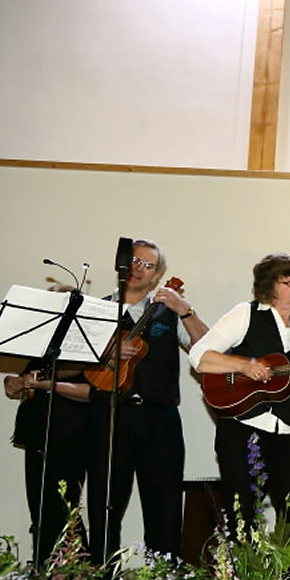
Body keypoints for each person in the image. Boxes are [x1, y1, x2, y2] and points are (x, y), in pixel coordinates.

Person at [190, 253, 290, 555]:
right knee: (244, 513)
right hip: (244, 428)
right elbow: (199, 356)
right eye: (288, 281)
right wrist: (243, 365)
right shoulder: (246, 314)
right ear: (268, 286)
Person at [87, 239, 208, 562]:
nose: (139, 269)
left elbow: (208, 349)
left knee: (164, 507)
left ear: (158, 276)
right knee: (103, 504)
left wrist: (186, 309)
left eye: (148, 265)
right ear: (123, 264)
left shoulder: (168, 312)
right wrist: (105, 351)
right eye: (135, 261)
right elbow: (73, 362)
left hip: (159, 418)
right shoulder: (97, 309)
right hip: (109, 416)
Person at [5, 361, 93, 566]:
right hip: (37, 429)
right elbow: (26, 376)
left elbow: (85, 370)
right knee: (39, 511)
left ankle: (75, 578)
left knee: (63, 509)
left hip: (70, 431)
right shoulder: (45, 339)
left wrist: (43, 379)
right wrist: (14, 382)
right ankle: (44, 572)